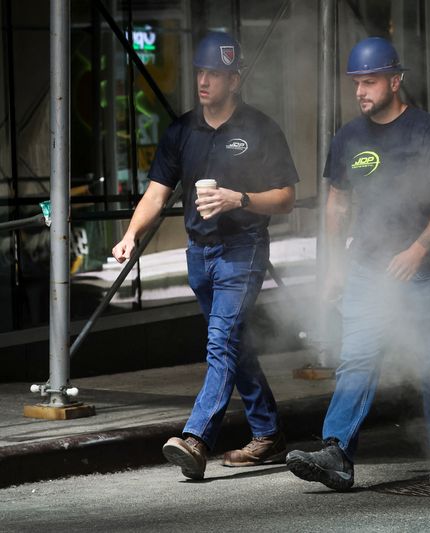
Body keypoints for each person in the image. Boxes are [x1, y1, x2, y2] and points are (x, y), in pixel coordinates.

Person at [111, 31, 299, 480]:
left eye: (214, 73)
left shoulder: (260, 129)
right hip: (199, 254)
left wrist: (240, 199)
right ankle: (269, 434)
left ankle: (196, 438)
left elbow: (288, 197)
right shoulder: (182, 131)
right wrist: (131, 235)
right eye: (200, 71)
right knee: (235, 343)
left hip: (243, 249)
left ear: (234, 79)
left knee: (220, 342)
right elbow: (156, 195)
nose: (203, 80)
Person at [285, 37, 430, 491]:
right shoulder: (348, 137)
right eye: (356, 84)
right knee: (357, 357)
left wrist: (418, 250)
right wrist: (333, 267)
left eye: (369, 82)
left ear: (395, 80)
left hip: (421, 268)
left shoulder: (429, 131)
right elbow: (336, 205)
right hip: (366, 267)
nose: (361, 91)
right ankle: (337, 453)